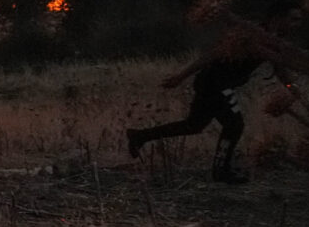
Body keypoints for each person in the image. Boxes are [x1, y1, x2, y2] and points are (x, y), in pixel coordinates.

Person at [126, 13, 293, 184]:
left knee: (193, 125)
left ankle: (140, 136)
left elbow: (279, 67)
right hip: (215, 82)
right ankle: (221, 171)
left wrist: (290, 88)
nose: (295, 24)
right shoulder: (250, 35)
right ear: (277, 18)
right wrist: (181, 76)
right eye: (292, 18)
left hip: (216, 83)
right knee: (234, 124)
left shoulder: (274, 42)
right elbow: (212, 55)